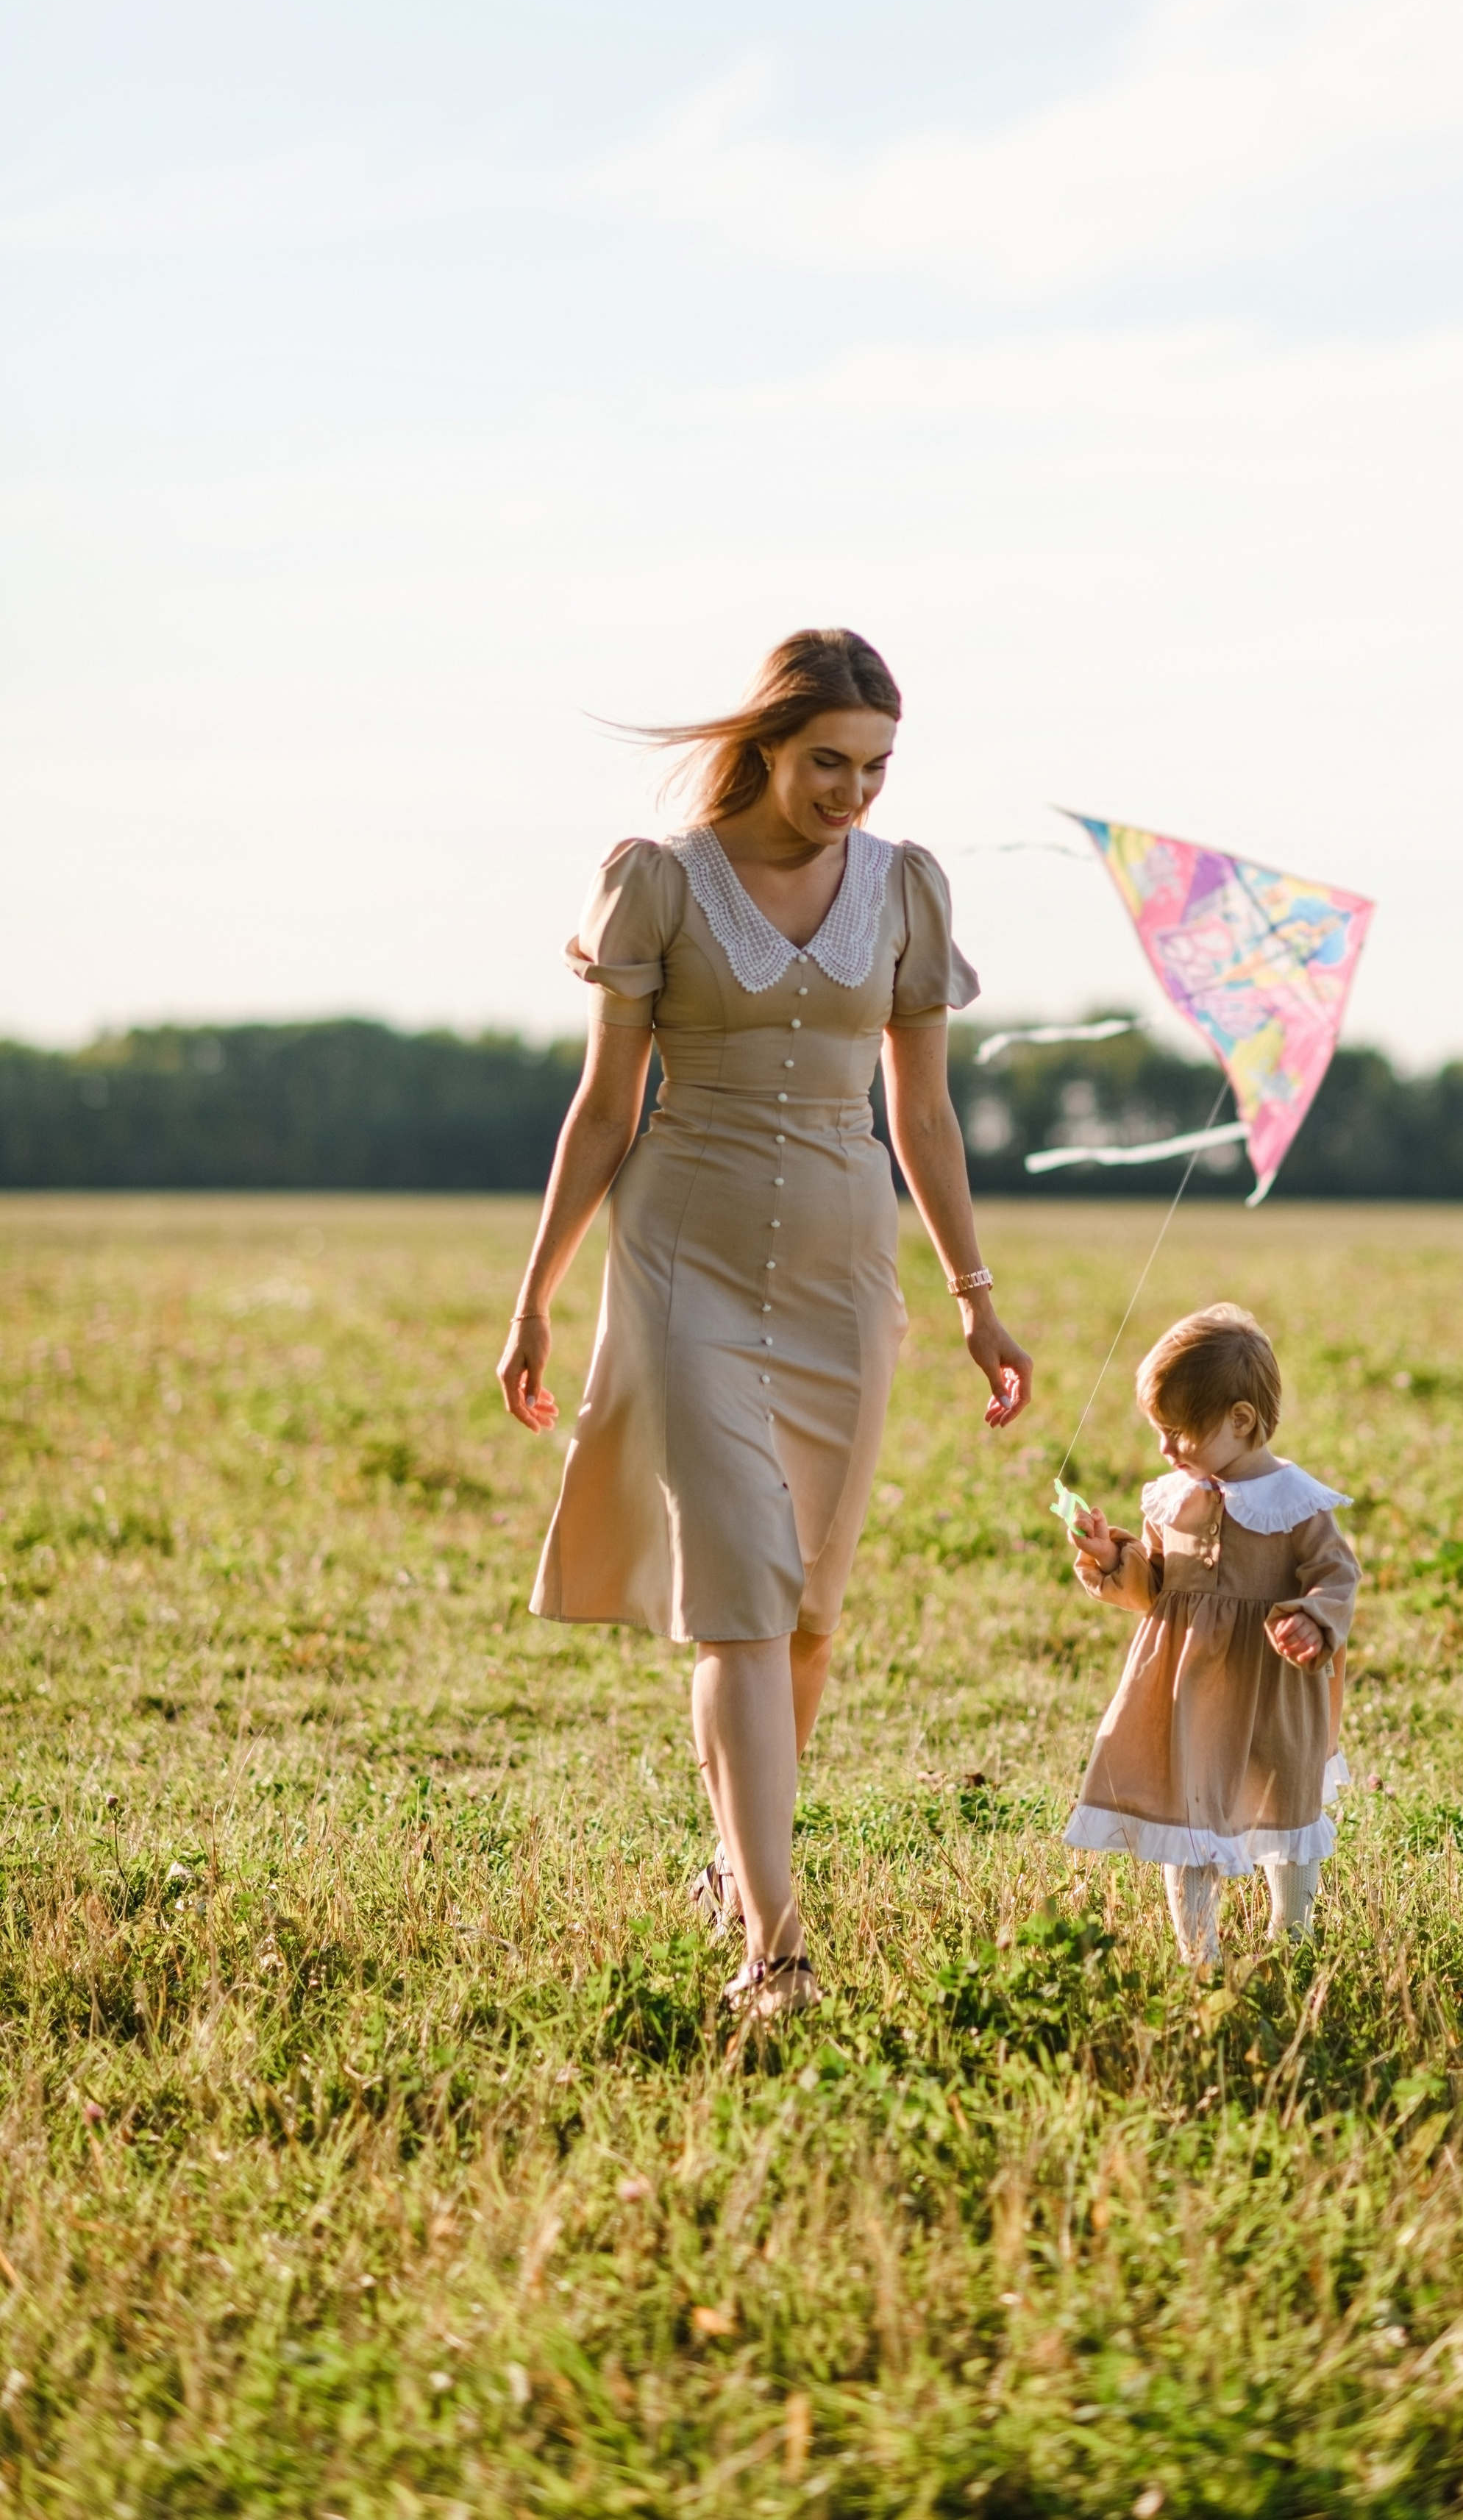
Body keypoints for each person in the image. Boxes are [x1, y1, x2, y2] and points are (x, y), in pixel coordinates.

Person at [497, 630, 1032, 2020]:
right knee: (737, 1602)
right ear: (766, 747)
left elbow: (920, 1113)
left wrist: (979, 1303)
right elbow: (607, 1108)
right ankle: (776, 1948)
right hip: (685, 1262)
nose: (853, 792)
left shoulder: (908, 886)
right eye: (827, 765)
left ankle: (738, 1863)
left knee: (803, 1619)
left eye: (875, 767)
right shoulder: (659, 883)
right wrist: (536, 1297)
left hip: (846, 1282)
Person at [1061, 1303, 1357, 1967]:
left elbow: (1337, 1577)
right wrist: (1113, 1556)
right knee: (1190, 1814)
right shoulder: (1174, 1498)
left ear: (1240, 1421)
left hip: (1275, 1685)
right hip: (1190, 1689)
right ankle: (1202, 1955)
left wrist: (1313, 1620)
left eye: (1177, 1432)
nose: (1165, 1450)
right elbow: (1152, 1589)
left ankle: (1293, 1931)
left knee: (1286, 1805)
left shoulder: (1298, 1503)